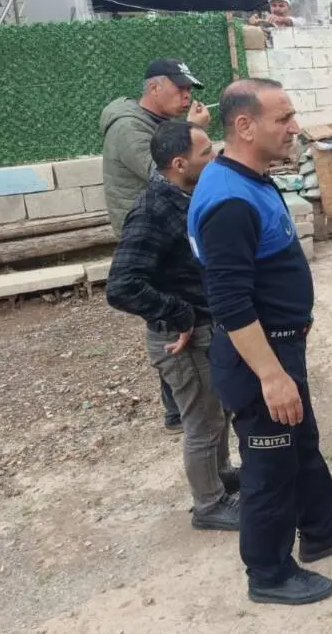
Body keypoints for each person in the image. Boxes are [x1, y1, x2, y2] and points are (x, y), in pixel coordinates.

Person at [188, 78, 332, 605]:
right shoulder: (228, 200)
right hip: (258, 358)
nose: (295, 128)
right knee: (269, 467)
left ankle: (321, 528)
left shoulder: (249, 178)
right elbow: (228, 301)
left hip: (280, 344)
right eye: (284, 118)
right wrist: (271, 375)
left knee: (302, 442)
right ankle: (268, 574)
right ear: (245, 126)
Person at [106, 120, 240, 532]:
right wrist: (179, 314)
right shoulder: (153, 210)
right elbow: (122, 285)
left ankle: (221, 475)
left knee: (216, 412)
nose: (215, 157)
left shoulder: (182, 196)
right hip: (180, 339)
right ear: (180, 163)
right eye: (206, 153)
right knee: (201, 421)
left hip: (203, 329)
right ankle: (209, 504)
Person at [101, 58, 211, 434]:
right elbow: (162, 171)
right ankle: (178, 412)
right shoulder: (128, 127)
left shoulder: (158, 123)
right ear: (154, 88)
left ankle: (182, 408)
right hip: (149, 232)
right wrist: (191, 131)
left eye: (189, 90)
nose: (186, 96)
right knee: (168, 324)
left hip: (165, 229)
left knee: (179, 322)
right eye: (179, 89)